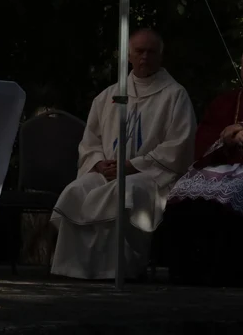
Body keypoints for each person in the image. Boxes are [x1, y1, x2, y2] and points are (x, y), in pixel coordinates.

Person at [50, 29, 195, 280]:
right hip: (108, 172)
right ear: (129, 55)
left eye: (151, 52)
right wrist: (98, 162)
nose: (145, 57)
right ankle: (72, 268)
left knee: (124, 192)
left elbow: (178, 145)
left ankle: (117, 268)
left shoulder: (175, 95)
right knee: (76, 190)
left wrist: (132, 165)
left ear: (161, 56)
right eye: (139, 51)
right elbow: (90, 140)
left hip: (151, 177)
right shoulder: (108, 96)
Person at [163, 57, 243, 284]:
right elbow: (205, 136)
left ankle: (226, 273)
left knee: (233, 193)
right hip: (222, 165)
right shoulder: (225, 102)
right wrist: (226, 135)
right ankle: (187, 272)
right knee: (184, 192)